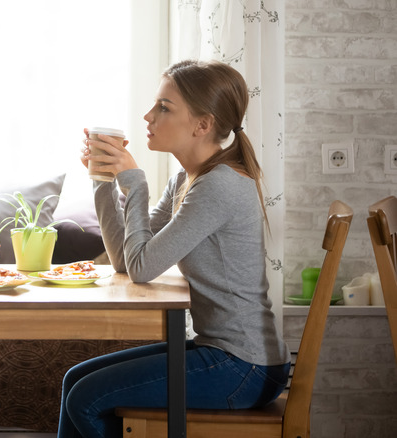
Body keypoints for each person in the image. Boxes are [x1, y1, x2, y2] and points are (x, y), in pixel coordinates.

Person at [57, 59, 291, 438]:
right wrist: (102, 178)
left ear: (203, 125)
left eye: (164, 108)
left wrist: (135, 182)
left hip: (244, 367)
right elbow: (126, 258)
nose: (148, 116)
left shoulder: (220, 186)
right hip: (223, 354)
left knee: (86, 397)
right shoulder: (187, 179)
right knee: (75, 381)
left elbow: (142, 267)